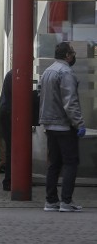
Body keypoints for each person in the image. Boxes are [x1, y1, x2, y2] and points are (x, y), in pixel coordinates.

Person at [38, 41, 85, 212]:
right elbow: (70, 102)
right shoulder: (66, 72)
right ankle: (66, 201)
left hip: (49, 125)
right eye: (72, 53)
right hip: (64, 126)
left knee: (53, 164)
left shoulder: (48, 71)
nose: (74, 56)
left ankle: (51, 201)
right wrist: (79, 123)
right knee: (71, 163)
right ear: (67, 55)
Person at [0, 69, 13, 191]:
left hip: (7, 112)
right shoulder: (15, 74)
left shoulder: (11, 74)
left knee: (11, 149)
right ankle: (9, 180)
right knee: (12, 149)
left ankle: (10, 179)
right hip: (9, 114)